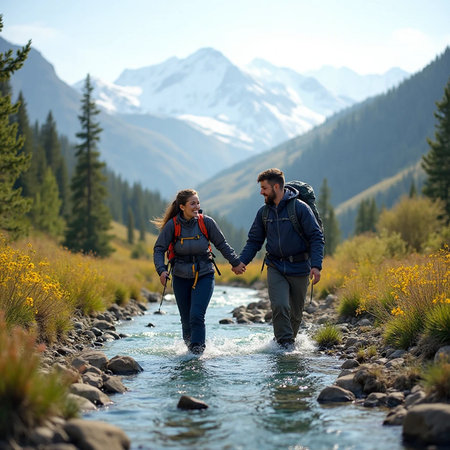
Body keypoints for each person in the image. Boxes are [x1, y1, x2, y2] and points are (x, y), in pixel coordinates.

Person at [233, 168, 324, 350]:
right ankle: (285, 346)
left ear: (276, 186)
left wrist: (316, 266)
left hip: (300, 266)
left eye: (264, 188)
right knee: (280, 305)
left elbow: (316, 236)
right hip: (275, 266)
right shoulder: (263, 213)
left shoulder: (300, 208)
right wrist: (242, 261)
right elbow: (254, 241)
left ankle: (286, 344)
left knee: (296, 314)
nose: (261, 192)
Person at [153, 189, 246, 354]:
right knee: (186, 320)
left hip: (204, 274)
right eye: (192, 203)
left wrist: (235, 262)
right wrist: (161, 270)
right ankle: (190, 350)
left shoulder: (206, 222)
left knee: (196, 315)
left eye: (198, 202)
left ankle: (197, 351)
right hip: (180, 277)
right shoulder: (172, 225)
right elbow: (159, 249)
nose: (197, 206)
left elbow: (222, 244)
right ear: (182, 206)